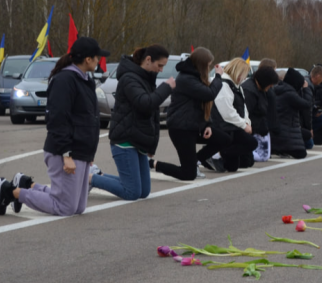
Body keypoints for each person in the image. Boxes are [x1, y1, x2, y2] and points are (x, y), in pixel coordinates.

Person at [0, 37, 108, 216]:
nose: (99, 60)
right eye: (97, 57)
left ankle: (26, 184)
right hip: (65, 151)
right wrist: (66, 154)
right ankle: (10, 192)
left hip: (82, 151)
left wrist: (89, 154)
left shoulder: (86, 79)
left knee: (78, 207)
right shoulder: (64, 80)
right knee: (65, 207)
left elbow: (89, 118)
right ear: (88, 59)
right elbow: (57, 120)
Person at [90, 45, 174, 200]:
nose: (161, 70)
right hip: (125, 140)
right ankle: (90, 179)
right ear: (148, 60)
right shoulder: (129, 78)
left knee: (143, 191)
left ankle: (97, 175)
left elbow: (153, 115)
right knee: (132, 192)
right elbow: (145, 103)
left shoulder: (146, 78)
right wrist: (166, 87)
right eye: (160, 65)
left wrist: (151, 146)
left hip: (138, 141)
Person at [152, 48, 227, 179]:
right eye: (208, 65)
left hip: (193, 127)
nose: (209, 68)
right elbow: (209, 94)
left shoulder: (195, 77)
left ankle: (196, 161)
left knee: (223, 139)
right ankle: (153, 164)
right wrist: (218, 76)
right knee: (188, 174)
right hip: (181, 129)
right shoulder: (186, 79)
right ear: (202, 64)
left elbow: (201, 105)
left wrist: (207, 125)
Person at [209, 58, 259, 172]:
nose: (245, 78)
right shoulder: (223, 85)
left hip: (233, 126)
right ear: (238, 73)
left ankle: (217, 154)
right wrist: (244, 125)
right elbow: (227, 113)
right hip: (224, 127)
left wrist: (247, 122)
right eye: (244, 75)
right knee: (251, 143)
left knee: (233, 167)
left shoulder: (237, 87)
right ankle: (216, 153)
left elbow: (244, 107)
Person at [271, 68, 313, 159]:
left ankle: (277, 148)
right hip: (286, 131)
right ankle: (282, 149)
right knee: (302, 153)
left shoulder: (277, 90)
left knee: (306, 136)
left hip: (275, 132)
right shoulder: (290, 94)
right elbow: (307, 104)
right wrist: (306, 89)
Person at [243, 66, 279, 162]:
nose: (271, 86)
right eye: (271, 84)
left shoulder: (261, 90)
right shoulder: (249, 91)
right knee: (258, 157)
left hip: (259, 128)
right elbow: (246, 114)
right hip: (252, 130)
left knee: (263, 156)